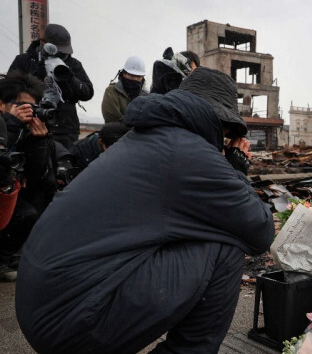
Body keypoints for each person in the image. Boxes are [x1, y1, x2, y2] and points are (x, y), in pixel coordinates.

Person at [16, 67, 274, 353]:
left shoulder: (143, 138)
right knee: (225, 246)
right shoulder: (188, 152)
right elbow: (260, 230)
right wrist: (235, 168)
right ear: (219, 121)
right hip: (72, 324)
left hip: (44, 306)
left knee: (203, 227)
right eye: (226, 133)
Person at [0, 72, 55, 281]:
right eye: (21, 105)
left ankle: (4, 259)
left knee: (29, 213)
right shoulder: (4, 123)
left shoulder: (29, 128)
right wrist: (10, 124)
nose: (28, 111)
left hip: (8, 189)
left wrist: (39, 141)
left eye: (32, 106)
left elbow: (37, 175)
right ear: (2, 103)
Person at [9, 23, 94, 149]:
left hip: (66, 128)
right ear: (43, 42)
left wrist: (68, 77)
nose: (59, 54)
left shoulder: (73, 64)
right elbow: (8, 91)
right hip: (31, 124)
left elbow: (87, 93)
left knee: (64, 164)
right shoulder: (25, 61)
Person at [102, 56, 148, 124]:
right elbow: (112, 118)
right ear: (124, 74)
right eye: (132, 75)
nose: (135, 79)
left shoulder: (146, 96)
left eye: (138, 77)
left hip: (140, 132)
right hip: (118, 131)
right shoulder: (111, 92)